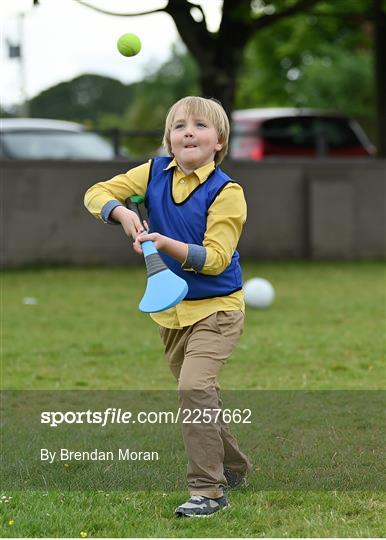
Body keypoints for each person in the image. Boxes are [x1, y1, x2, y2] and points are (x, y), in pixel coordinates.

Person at [84, 96, 252, 517]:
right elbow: (96, 192)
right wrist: (121, 213)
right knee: (201, 394)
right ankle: (234, 467)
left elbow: (214, 259)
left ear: (219, 141)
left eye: (199, 125)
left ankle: (208, 492)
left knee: (193, 389)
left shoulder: (227, 192)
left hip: (218, 309)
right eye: (179, 126)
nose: (188, 131)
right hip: (172, 313)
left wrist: (163, 243)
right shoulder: (152, 172)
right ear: (169, 140)